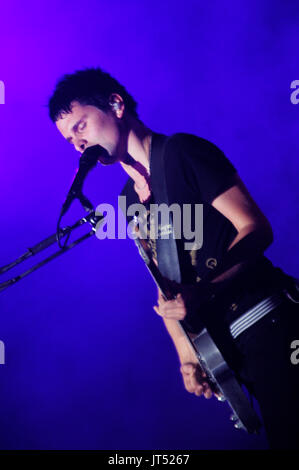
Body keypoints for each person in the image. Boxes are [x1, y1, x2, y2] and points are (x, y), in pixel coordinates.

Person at [48, 67, 299, 449]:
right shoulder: (128, 202)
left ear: (116, 104)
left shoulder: (181, 152)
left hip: (271, 321)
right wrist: (187, 355)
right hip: (231, 346)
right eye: (69, 139)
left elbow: (256, 228)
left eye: (81, 126)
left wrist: (205, 291)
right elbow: (167, 289)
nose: (77, 143)